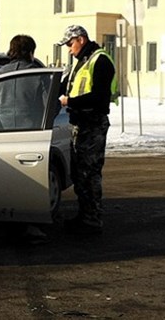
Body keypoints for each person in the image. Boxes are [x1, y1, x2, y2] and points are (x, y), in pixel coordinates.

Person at [57, 25, 117, 235]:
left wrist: (71, 101)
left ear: (81, 39)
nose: (68, 49)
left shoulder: (99, 61)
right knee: (79, 173)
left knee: (89, 173)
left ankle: (92, 219)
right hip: (79, 124)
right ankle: (84, 216)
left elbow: (99, 97)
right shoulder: (80, 62)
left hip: (92, 124)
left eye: (70, 44)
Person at [0, 34, 47, 130]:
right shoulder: (39, 76)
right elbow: (49, 106)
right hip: (33, 133)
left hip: (1, 133)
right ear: (30, 53)